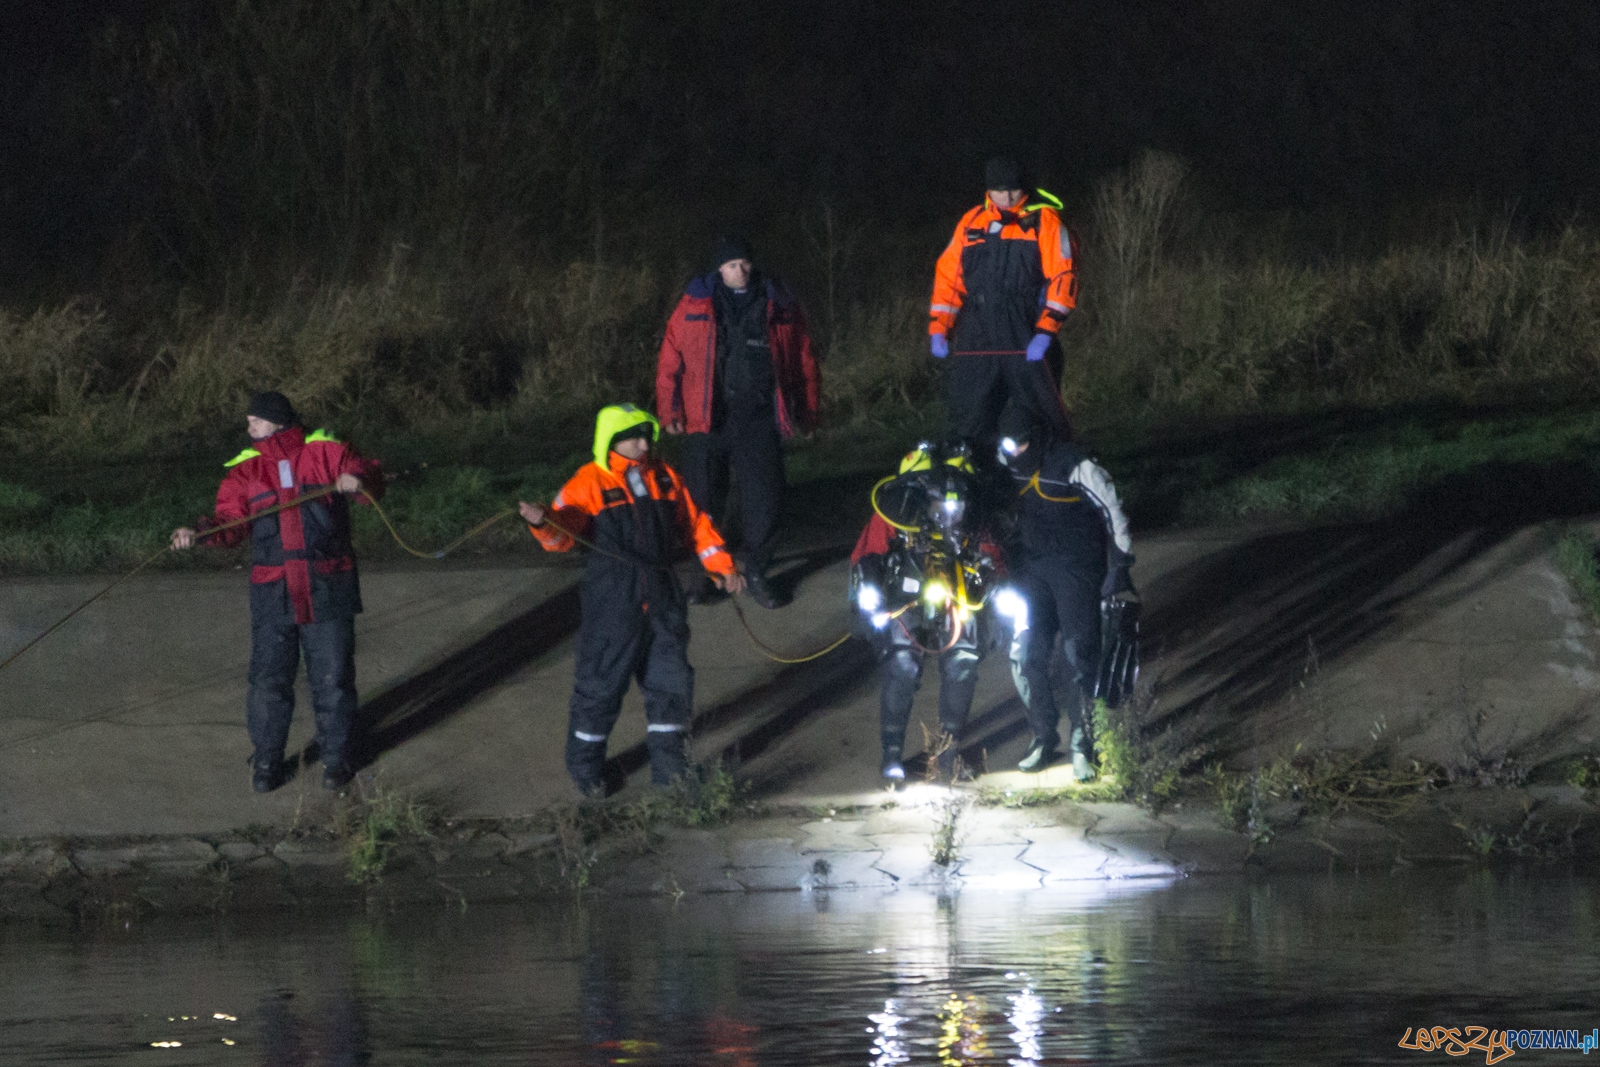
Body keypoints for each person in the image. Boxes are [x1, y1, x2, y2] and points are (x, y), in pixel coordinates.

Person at [518, 403, 746, 797]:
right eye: (634, 437)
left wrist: (723, 567)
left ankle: (672, 773)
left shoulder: (665, 476)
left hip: (662, 597)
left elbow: (695, 524)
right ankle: (586, 770)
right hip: (613, 602)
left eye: (647, 435)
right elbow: (564, 533)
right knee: (600, 686)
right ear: (611, 441)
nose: (645, 443)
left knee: (671, 684)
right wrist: (543, 523)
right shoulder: (588, 481)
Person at [170, 391, 383, 793]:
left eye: (255, 419)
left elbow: (366, 475)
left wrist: (359, 481)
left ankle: (338, 760)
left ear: (277, 421)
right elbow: (228, 523)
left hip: (327, 586)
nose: (248, 426)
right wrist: (196, 534)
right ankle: (267, 762)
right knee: (268, 681)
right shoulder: (245, 470)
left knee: (333, 678)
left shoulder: (325, 449)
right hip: (274, 593)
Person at [656, 235, 820, 609]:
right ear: (719, 269)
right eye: (731, 265)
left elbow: (804, 359)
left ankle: (758, 572)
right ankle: (709, 575)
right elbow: (670, 359)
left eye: (744, 263)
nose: (740, 270)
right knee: (702, 501)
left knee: (765, 500)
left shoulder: (778, 302)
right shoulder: (694, 303)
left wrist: (807, 410)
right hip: (706, 418)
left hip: (758, 416)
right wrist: (671, 411)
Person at [849, 442, 1004, 783]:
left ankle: (948, 754)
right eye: (942, 507)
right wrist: (871, 595)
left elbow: (994, 556)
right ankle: (891, 755)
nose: (951, 516)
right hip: (907, 594)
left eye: (957, 508)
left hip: (956, 592)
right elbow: (866, 555)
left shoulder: (976, 517)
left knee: (963, 665)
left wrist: (996, 586)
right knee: (901, 667)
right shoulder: (897, 510)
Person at [995, 402, 1134, 780]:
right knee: (1029, 653)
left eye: (1019, 445)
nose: (1013, 454)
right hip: (1036, 571)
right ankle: (1043, 736)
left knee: (1079, 655)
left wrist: (1121, 565)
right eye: (1008, 446)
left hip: (1078, 571)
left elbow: (1112, 507)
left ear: (1036, 439)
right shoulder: (1011, 466)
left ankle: (1082, 743)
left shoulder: (1072, 463)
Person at [928, 157, 1077, 450]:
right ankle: (976, 483)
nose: (1007, 198)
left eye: (1014, 190)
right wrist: (939, 328)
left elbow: (1063, 276)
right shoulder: (972, 223)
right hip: (978, 331)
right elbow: (949, 278)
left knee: (1037, 415)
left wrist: (1046, 332)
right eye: (999, 190)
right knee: (970, 415)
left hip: (1025, 328)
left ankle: (1047, 483)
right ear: (988, 190)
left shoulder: (1044, 221)